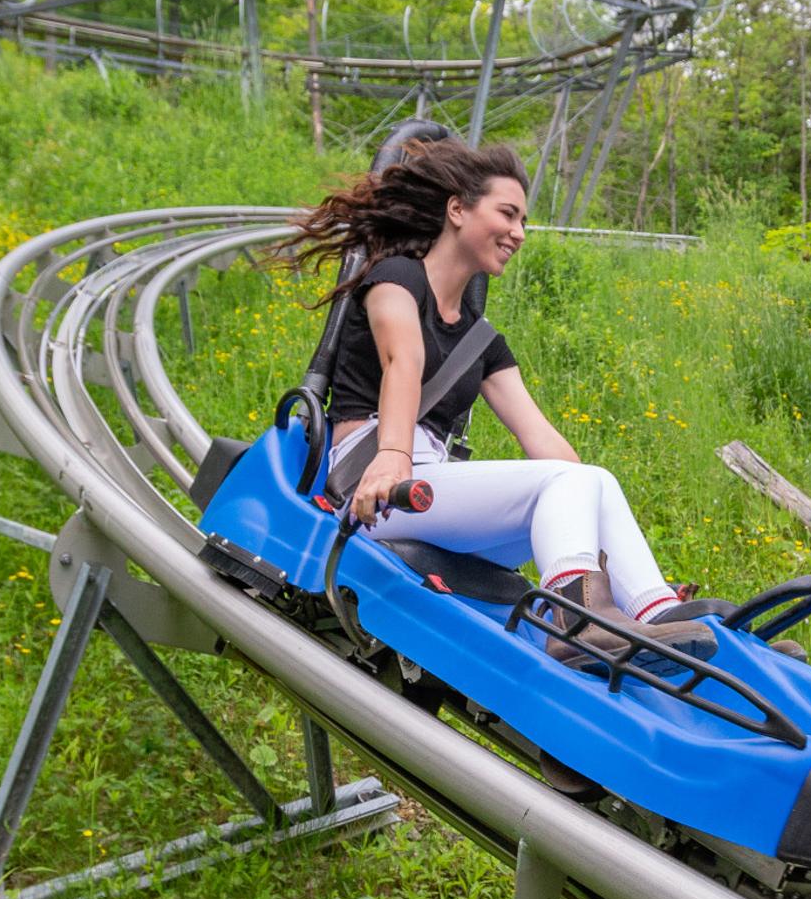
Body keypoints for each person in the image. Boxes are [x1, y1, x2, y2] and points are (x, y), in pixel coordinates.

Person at [281, 135, 717, 670]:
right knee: (570, 482)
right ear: (458, 210)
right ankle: (575, 624)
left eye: (524, 221)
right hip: (378, 486)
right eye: (508, 214)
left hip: (434, 495)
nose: (519, 233)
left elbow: (545, 443)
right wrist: (393, 454)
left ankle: (654, 614)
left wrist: (593, 513)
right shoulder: (396, 278)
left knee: (592, 479)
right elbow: (403, 362)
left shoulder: (480, 340)